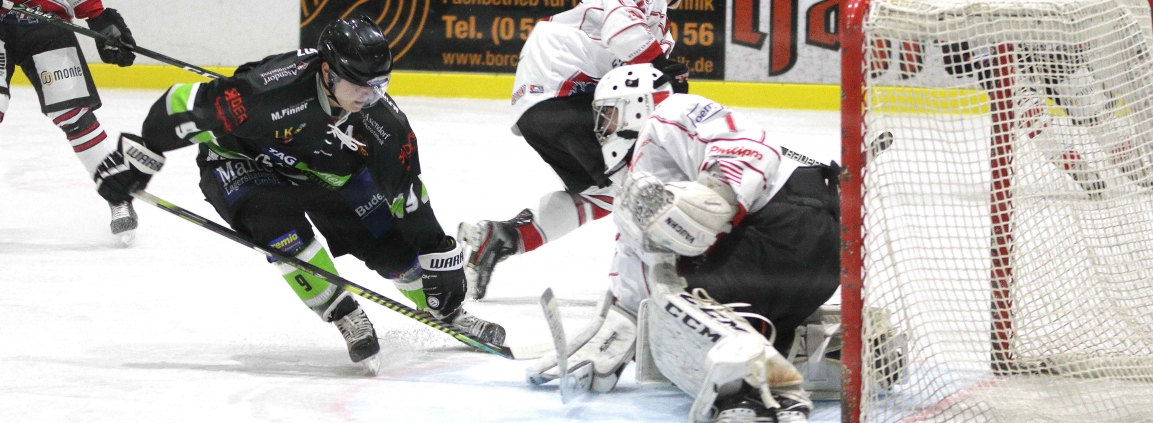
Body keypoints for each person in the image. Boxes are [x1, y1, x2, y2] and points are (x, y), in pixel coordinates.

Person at [90, 17, 505, 371]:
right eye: (359, 84)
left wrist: (439, 256)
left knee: (387, 244)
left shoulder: (384, 123)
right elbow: (180, 103)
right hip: (240, 161)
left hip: (320, 171)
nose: (369, 96)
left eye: (379, 85)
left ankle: (448, 314)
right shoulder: (270, 92)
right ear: (328, 71)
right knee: (276, 223)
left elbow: (407, 194)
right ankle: (343, 313)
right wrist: (139, 159)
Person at [526, 64, 840, 422]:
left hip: (789, 227)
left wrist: (718, 193)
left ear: (639, 102)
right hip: (807, 257)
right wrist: (615, 331)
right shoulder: (641, 180)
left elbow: (748, 145)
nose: (603, 129)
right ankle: (818, 352)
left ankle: (755, 392)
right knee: (690, 306)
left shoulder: (668, 114)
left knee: (675, 312)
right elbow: (640, 255)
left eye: (609, 115)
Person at [456, 0, 691, 300]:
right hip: (561, 92)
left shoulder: (661, 30)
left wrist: (668, 83)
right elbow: (621, 30)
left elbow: (645, 84)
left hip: (552, 106)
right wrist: (661, 69)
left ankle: (504, 237)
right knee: (641, 184)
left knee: (606, 193)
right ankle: (669, 279)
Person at [0, 0, 139, 240]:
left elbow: (86, 5)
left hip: (47, 27)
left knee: (74, 114)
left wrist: (105, 25)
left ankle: (118, 194)